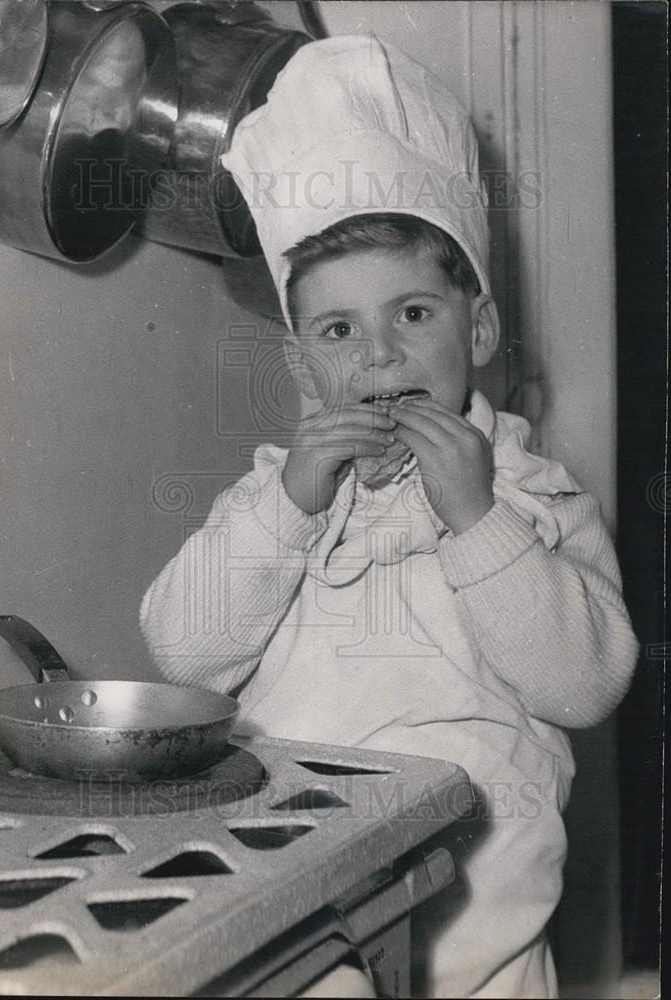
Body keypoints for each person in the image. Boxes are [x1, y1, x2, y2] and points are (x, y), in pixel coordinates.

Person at [140, 35, 638, 998]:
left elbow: (582, 689)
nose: (377, 357)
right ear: (302, 368)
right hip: (294, 864)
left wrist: (476, 518)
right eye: (337, 331)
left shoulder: (533, 496)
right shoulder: (276, 498)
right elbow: (185, 656)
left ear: (478, 330)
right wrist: (290, 505)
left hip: (479, 887)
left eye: (411, 314)